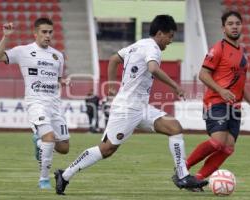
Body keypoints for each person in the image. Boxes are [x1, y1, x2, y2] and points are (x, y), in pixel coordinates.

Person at [54, 14, 208, 195]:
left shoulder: (139, 44)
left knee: (174, 127)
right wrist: (175, 86)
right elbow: (152, 68)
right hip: (127, 108)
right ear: (160, 33)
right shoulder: (153, 49)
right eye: (170, 36)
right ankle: (65, 175)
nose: (171, 41)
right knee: (106, 149)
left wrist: (112, 85)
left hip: (140, 107)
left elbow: (113, 59)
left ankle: (182, 175)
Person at [184, 11, 250, 188]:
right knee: (218, 142)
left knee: (228, 147)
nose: (234, 27)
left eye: (237, 23)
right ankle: (183, 168)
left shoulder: (243, 52)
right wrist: (221, 90)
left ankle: (196, 179)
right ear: (223, 28)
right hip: (216, 102)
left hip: (235, 106)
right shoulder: (218, 48)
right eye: (230, 24)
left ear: (241, 26)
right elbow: (203, 74)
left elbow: (240, 82)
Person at [0, 18, 71, 189]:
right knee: (49, 138)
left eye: (50, 32)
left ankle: (38, 142)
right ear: (35, 33)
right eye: (44, 32)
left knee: (64, 147)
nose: (48, 35)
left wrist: (63, 82)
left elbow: (56, 79)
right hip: (36, 102)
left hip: (55, 105)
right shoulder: (23, 51)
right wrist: (6, 37)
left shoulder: (57, 55)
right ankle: (44, 180)